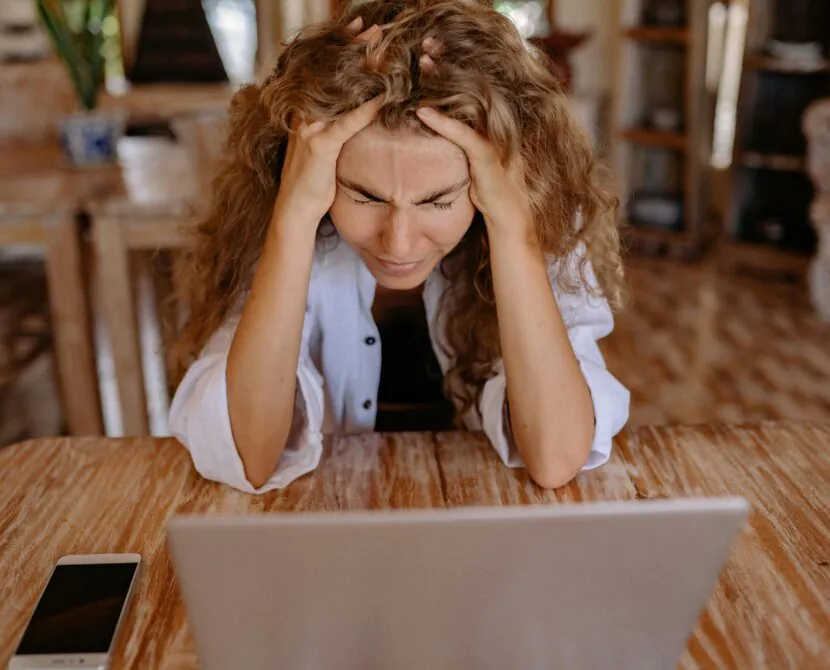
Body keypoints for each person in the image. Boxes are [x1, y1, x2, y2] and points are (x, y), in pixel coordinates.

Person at [169, 0, 630, 493]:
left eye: (437, 201)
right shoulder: (279, 215)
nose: (399, 242)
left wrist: (514, 229)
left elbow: (556, 457)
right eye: (365, 196)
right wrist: (293, 216)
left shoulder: (537, 217)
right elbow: (248, 458)